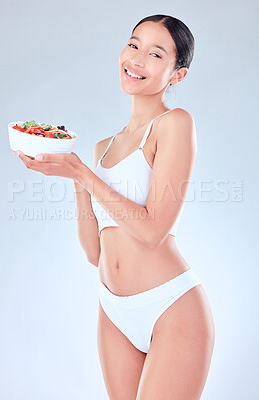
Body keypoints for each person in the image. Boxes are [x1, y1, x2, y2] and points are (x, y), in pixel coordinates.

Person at [15, 14, 215, 400]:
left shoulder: (174, 124)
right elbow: (94, 253)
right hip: (113, 309)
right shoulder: (102, 148)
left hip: (171, 305)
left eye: (155, 54)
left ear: (177, 75)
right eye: (134, 44)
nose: (136, 59)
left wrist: (84, 175)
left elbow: (154, 230)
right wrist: (74, 175)